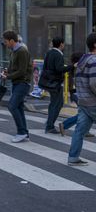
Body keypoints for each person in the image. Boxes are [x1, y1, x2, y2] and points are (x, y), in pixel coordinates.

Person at [67, 33, 96, 166]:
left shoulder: (83, 60)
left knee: (79, 130)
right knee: (80, 130)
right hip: (93, 102)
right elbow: (94, 83)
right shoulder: (94, 61)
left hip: (83, 101)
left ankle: (73, 157)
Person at [1, 30, 33, 143]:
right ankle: (24, 132)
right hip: (17, 82)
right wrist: (7, 72)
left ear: (11, 41)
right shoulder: (13, 51)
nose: (5, 44)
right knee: (18, 107)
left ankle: (22, 132)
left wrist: (8, 76)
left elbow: (22, 71)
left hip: (23, 83)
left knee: (12, 106)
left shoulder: (22, 51)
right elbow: (14, 67)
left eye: (6, 41)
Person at [41, 37, 71, 134]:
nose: (64, 45)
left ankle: (49, 123)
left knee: (53, 103)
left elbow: (45, 67)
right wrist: (71, 66)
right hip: (56, 83)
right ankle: (50, 126)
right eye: (63, 44)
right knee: (57, 104)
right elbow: (59, 69)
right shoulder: (58, 54)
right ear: (61, 44)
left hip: (49, 82)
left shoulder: (49, 53)